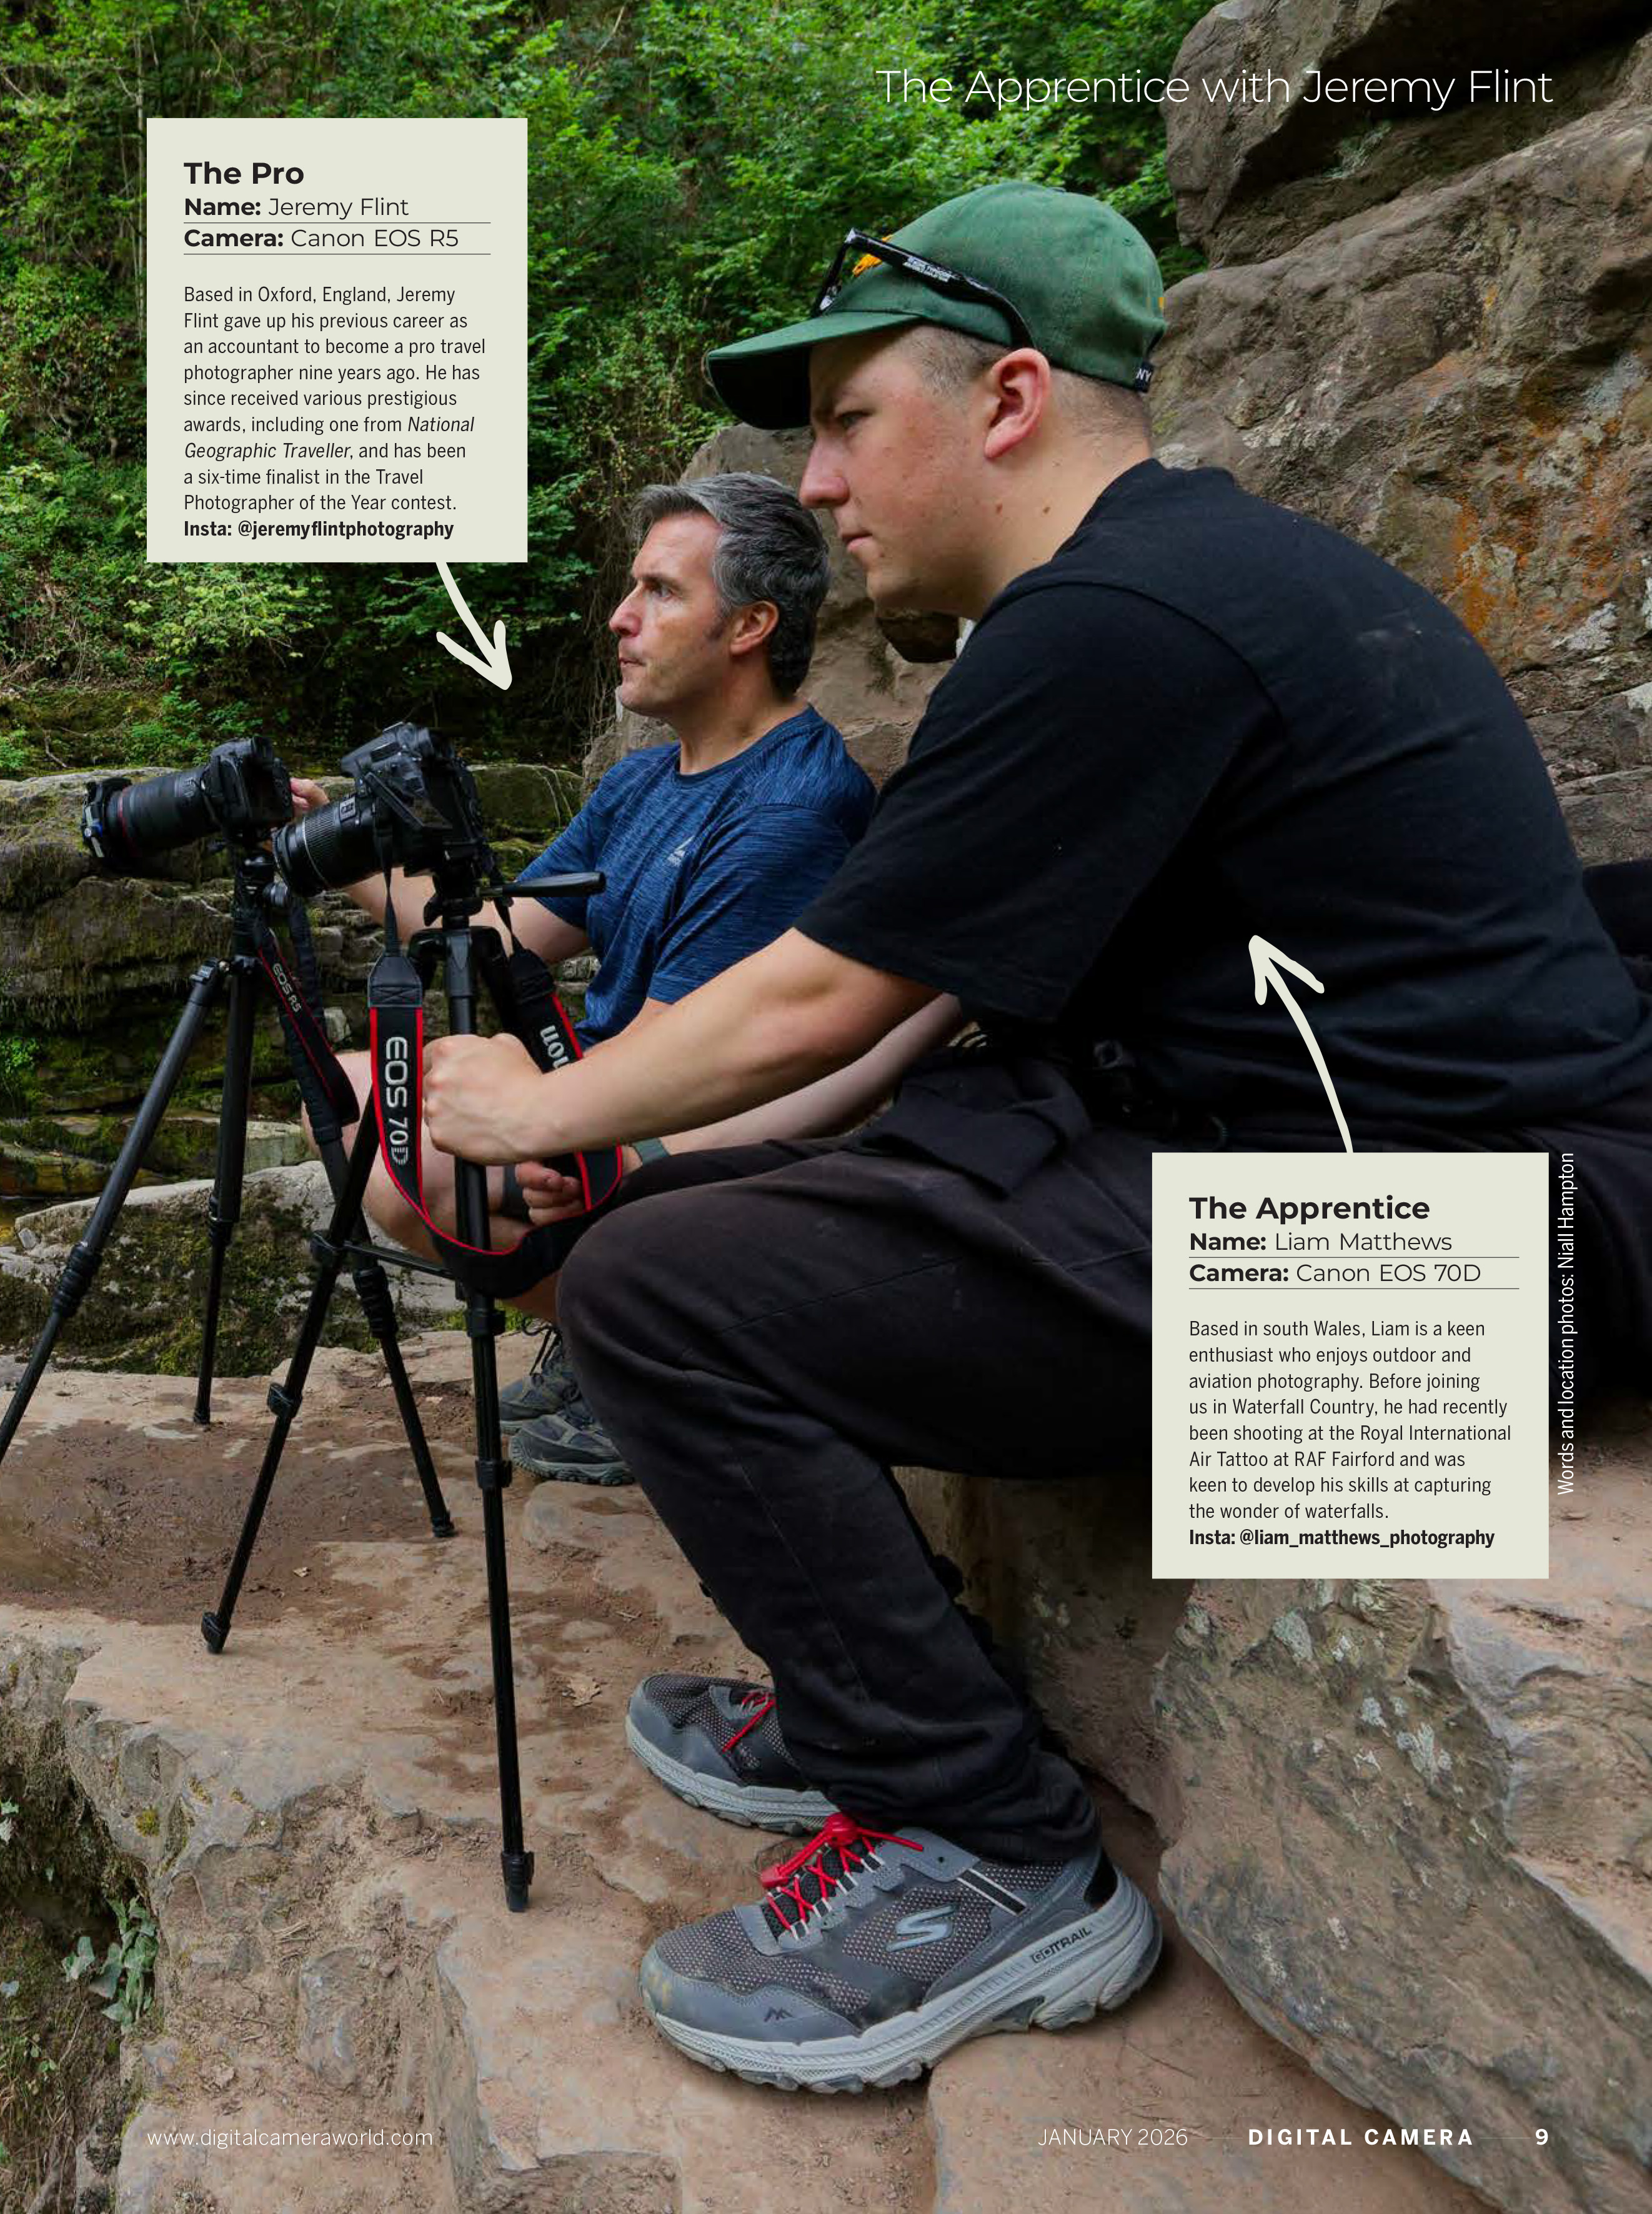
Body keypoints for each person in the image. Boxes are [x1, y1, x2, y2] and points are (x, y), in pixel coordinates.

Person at [416, 179, 1652, 2092]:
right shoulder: (1135, 601)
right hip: (1425, 1228)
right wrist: (625, 1172)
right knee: (708, 1226)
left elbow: (819, 994)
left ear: (1003, 399)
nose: (814, 485)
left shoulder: (1122, 619)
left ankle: (987, 1839)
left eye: (841, 423)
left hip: (1486, 1301)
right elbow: (904, 1010)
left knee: (667, 1292)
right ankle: (864, 1697)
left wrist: (542, 1110)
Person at [309, 472, 895, 1483]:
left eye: (660, 592)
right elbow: (495, 934)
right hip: (627, 1093)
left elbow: (695, 1067)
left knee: (411, 1143)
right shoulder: (643, 781)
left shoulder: (789, 808)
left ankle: (653, 1357)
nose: (621, 618)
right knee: (360, 1087)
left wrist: (543, 1113)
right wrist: (319, 849)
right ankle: (594, 1332)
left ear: (751, 624)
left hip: (714, 1132)